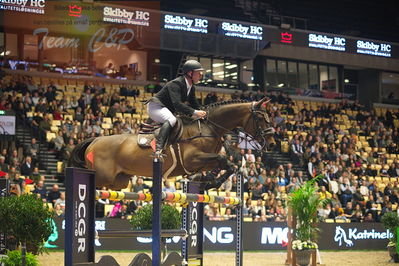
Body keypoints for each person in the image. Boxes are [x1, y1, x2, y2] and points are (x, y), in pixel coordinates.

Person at [147, 60, 207, 155]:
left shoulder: (191, 86)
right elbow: (177, 104)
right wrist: (195, 112)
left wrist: (203, 112)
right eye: (198, 73)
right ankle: (159, 148)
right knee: (172, 120)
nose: (201, 75)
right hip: (156, 107)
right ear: (190, 73)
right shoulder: (176, 84)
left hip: (166, 109)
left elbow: (194, 103)